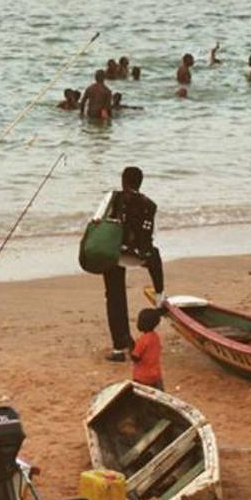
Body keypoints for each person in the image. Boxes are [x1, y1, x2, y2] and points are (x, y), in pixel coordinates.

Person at [100, 166, 164, 362]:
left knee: (114, 296)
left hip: (117, 255)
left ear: (123, 181)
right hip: (140, 255)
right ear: (140, 182)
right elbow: (150, 234)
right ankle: (160, 294)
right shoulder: (150, 205)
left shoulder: (114, 197)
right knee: (156, 255)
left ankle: (120, 347)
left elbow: (98, 221)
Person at [131, 308, 164, 390]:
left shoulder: (142, 340)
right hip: (156, 375)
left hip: (142, 377)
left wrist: (130, 346)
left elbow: (135, 357)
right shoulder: (156, 337)